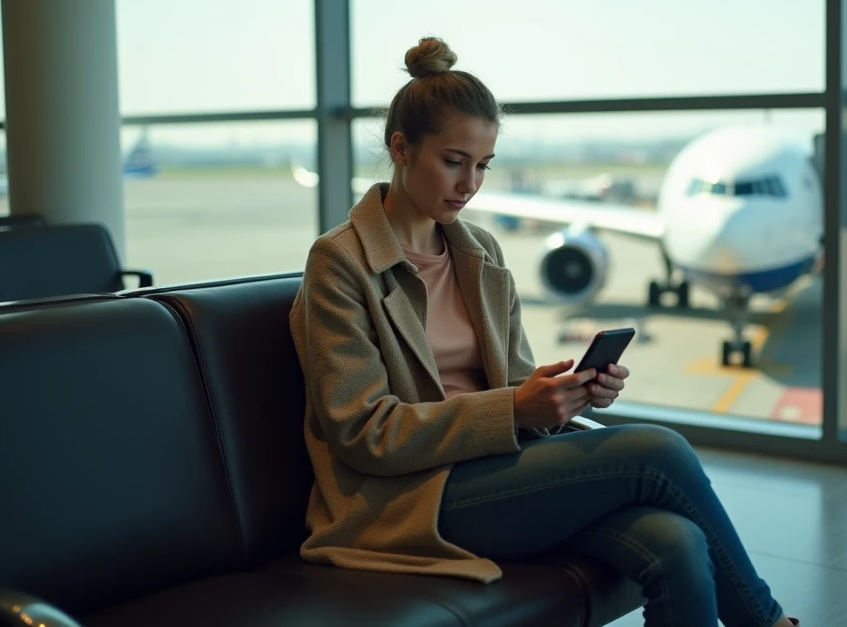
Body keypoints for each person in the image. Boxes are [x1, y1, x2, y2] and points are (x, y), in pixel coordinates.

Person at [288, 36, 799, 627]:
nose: (469, 183)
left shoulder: (480, 251)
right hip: (411, 500)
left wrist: (564, 395)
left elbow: (514, 387)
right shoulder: (340, 262)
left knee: (676, 542)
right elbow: (363, 433)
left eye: (482, 166)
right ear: (400, 148)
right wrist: (514, 408)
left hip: (498, 470)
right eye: (453, 161)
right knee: (658, 450)